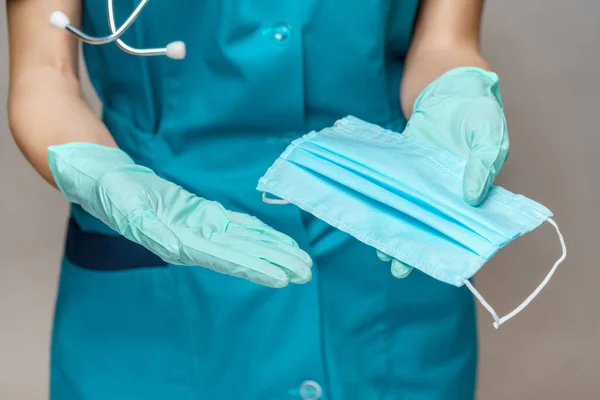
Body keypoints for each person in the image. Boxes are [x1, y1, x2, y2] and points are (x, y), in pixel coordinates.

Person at [6, 0, 509, 398]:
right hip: (159, 237)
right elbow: (44, 75)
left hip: (378, 244)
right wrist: (102, 176)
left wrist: (455, 89)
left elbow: (445, 42)